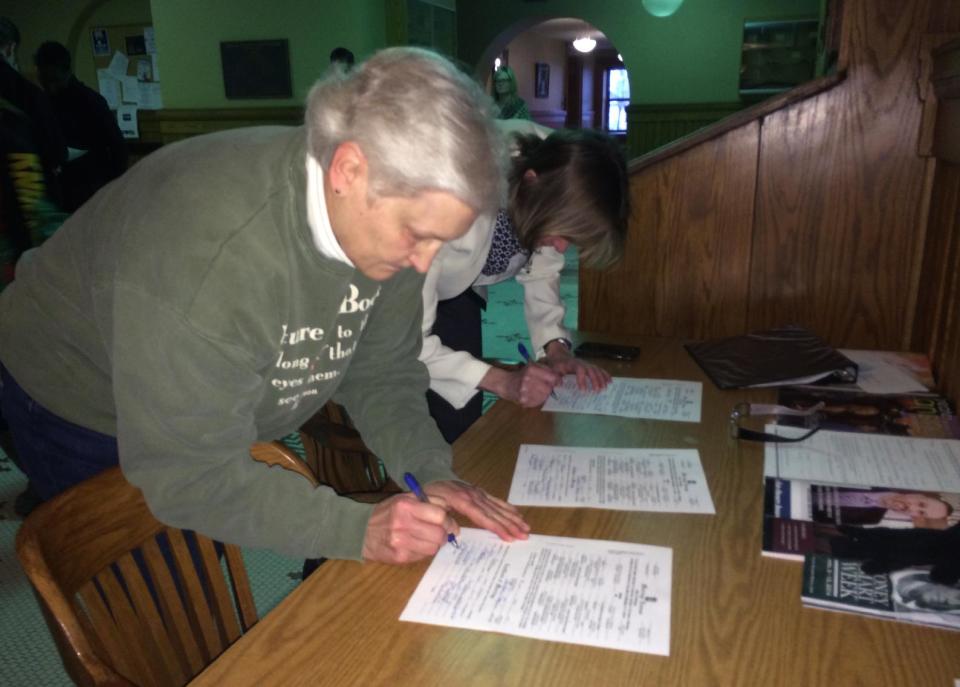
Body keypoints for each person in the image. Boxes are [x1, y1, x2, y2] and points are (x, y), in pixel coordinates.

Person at [0, 47, 529, 565]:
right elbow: (191, 476)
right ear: (348, 170)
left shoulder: (385, 224)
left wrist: (429, 468)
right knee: (164, 594)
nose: (424, 263)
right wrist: (354, 530)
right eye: (418, 235)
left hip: (189, 377)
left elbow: (383, 371)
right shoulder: (209, 255)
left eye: (442, 241)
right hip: (76, 392)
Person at [421, 126, 629, 442]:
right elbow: (410, 343)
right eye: (562, 236)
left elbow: (542, 270)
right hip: (393, 278)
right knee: (415, 405)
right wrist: (503, 382)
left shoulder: (556, 173)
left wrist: (555, 348)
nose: (561, 249)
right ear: (529, 181)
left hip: (460, 287)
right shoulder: (450, 198)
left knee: (461, 416)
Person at [33, 40, 127, 212]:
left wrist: (113, 189)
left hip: (93, 186)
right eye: (45, 82)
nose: (51, 88)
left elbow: (118, 148)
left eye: (55, 80)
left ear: (68, 71)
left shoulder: (91, 101)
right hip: (60, 188)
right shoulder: (42, 102)